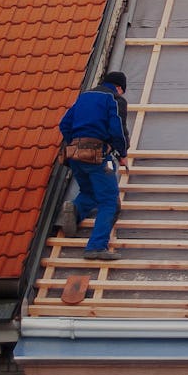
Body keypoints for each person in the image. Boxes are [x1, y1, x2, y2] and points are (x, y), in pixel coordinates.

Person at [58, 71, 129, 260]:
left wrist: (74, 142)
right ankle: (96, 247)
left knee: (89, 192)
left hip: (74, 154)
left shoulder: (83, 97)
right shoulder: (113, 99)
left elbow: (64, 124)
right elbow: (118, 129)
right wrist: (122, 154)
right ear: (119, 87)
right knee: (109, 202)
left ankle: (75, 210)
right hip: (97, 155)